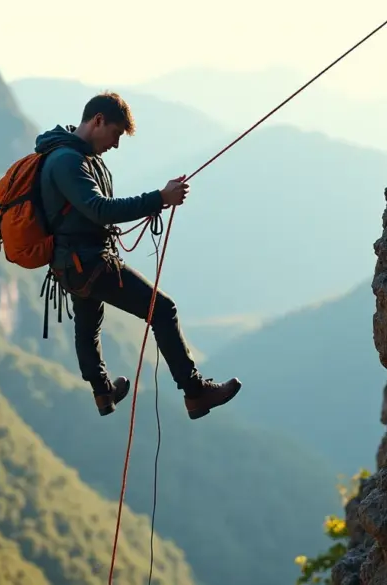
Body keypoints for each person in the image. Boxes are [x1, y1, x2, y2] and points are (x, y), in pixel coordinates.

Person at [35, 91, 241, 420]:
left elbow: (87, 212)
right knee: (162, 309)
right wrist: (159, 197)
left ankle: (103, 392)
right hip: (89, 262)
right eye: (115, 134)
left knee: (89, 326)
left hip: (70, 264)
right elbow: (99, 209)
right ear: (98, 120)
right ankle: (195, 392)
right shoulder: (67, 161)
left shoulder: (70, 156)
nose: (115, 144)